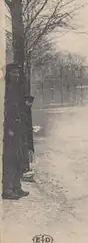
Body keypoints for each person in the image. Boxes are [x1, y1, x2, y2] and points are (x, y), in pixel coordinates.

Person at [2, 63, 29, 200]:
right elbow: (7, 111)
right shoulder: (5, 89)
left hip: (18, 127)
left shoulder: (18, 89)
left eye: (18, 73)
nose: (16, 76)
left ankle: (16, 187)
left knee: (18, 157)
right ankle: (7, 189)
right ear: (8, 74)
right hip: (10, 128)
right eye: (13, 73)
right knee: (10, 158)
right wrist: (10, 128)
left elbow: (18, 108)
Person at [21, 95, 35, 182]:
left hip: (27, 133)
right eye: (30, 102)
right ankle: (25, 169)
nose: (30, 104)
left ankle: (26, 168)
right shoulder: (24, 111)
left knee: (27, 150)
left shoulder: (26, 109)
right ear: (26, 101)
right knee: (25, 151)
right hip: (24, 134)